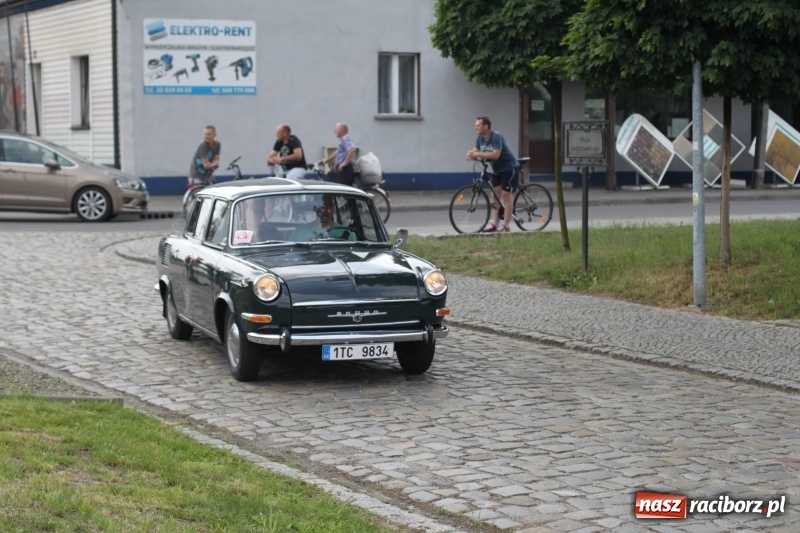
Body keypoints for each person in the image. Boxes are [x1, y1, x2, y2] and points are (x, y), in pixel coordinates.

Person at [467, 116, 519, 233]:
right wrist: (471, 153)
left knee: (506, 195)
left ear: (486, 126)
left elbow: (496, 155)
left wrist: (478, 153)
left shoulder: (496, 136)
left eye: (478, 125)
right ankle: (495, 224)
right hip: (497, 169)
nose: (475, 127)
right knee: (494, 196)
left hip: (509, 168)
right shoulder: (479, 138)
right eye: (475, 125)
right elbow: (475, 150)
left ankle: (506, 225)